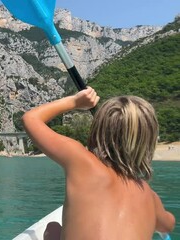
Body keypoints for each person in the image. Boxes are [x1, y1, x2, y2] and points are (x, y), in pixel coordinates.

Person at [22, 87, 175, 240]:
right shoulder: (149, 196)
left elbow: (31, 119)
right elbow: (168, 225)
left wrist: (75, 101)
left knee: (52, 229)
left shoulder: (84, 163)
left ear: (97, 130)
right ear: (147, 143)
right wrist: (156, 213)